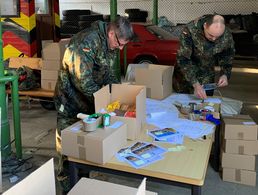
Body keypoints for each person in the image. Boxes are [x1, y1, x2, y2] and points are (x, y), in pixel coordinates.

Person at [53, 16, 134, 193]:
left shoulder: (110, 42)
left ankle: (81, 186)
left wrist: (117, 96)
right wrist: (106, 103)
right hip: (70, 104)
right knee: (69, 151)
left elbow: (110, 74)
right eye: (119, 43)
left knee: (84, 152)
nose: (120, 48)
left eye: (123, 45)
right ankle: (68, 190)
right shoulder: (86, 42)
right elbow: (84, 82)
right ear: (111, 33)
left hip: (90, 104)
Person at [172, 14, 235, 99]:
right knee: (183, 104)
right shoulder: (189, 31)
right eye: (211, 35)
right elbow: (183, 60)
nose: (214, 39)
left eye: (217, 37)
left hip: (207, 76)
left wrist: (225, 74)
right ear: (205, 26)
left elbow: (227, 55)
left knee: (205, 106)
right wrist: (195, 84)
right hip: (185, 77)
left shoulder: (226, 34)